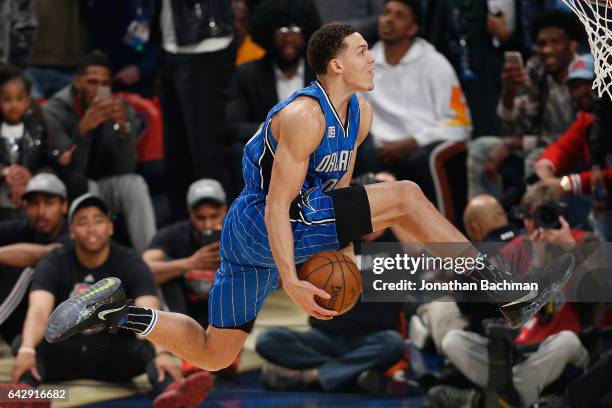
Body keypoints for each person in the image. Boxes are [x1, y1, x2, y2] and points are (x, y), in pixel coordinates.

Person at [44, 24, 575, 373]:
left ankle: (114, 312)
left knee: (213, 353)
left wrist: (342, 252)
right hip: (259, 219)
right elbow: (278, 206)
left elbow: (338, 189)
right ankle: (504, 294)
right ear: (337, 65)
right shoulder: (303, 115)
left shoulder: (359, 116)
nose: (372, 58)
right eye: (362, 51)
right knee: (408, 196)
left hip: (276, 225)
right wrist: (294, 282)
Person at [11, 193, 212, 408]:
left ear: (110, 227)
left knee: (150, 350)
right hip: (64, 353)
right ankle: (25, 396)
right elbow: (39, 310)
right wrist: (26, 350)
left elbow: (149, 309)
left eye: (98, 221)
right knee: (24, 343)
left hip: (112, 353)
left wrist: (162, 353)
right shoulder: (54, 261)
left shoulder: (130, 261)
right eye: (82, 222)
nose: (91, 228)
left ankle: (171, 393)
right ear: (71, 231)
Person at [43, 51, 157, 253]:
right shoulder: (54, 111)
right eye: (92, 82)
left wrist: (123, 132)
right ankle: (96, 262)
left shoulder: (119, 109)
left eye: (104, 84)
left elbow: (126, 167)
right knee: (87, 184)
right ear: (77, 82)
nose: (98, 89)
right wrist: (83, 132)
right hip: (69, 188)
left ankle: (151, 262)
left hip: (104, 183)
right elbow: (70, 170)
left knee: (135, 184)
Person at [362, 0, 471, 200]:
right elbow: (355, 113)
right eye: (386, 13)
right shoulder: (364, 63)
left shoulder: (435, 64)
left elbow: (461, 124)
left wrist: (414, 142)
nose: (388, 20)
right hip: (378, 151)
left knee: (419, 161)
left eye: (399, 16)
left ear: (413, 29)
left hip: (421, 148)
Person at [467, 10, 581, 200]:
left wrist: (514, 143)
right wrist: (509, 92)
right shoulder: (537, 69)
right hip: (539, 141)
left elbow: (578, 136)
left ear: (572, 45)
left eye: (555, 42)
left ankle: (536, 219)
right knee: (481, 147)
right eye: (542, 44)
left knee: (537, 157)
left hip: (571, 148)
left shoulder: (585, 75)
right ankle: (487, 216)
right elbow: (514, 126)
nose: (547, 50)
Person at [143, 178, 226, 326]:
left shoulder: (239, 234)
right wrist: (190, 263)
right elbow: (142, 269)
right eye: (200, 218)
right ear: (190, 213)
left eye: (214, 216)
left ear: (225, 209)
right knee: (167, 268)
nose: (208, 224)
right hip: (184, 310)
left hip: (226, 312)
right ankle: (178, 332)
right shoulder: (173, 234)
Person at [0, 173, 69, 345]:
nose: (40, 212)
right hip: (23, 323)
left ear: (64, 206)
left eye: (49, 203)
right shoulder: (25, 228)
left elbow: (44, 253)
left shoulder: (74, 233)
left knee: (29, 272)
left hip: (63, 325)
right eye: (34, 204)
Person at [0, 65, 56, 220]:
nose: (13, 105)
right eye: (7, 99)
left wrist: (30, 178)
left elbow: (47, 158)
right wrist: (5, 173)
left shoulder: (36, 125)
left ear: (28, 101)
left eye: (19, 99)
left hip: (31, 182)